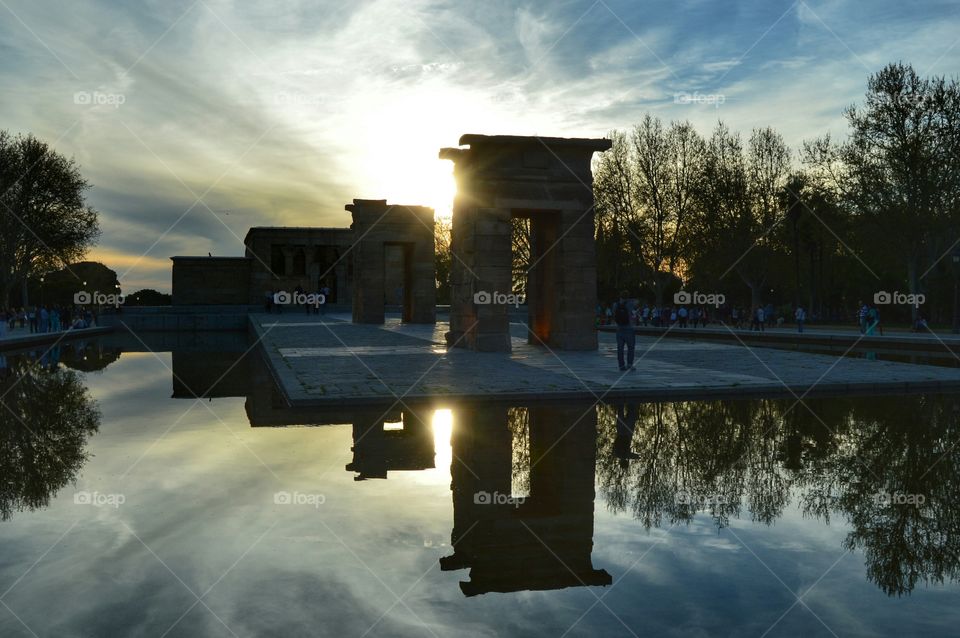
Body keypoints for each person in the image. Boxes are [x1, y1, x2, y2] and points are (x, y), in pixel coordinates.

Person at [612, 290, 636, 372]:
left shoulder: (615, 305)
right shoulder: (630, 304)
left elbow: (614, 315)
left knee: (620, 348)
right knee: (631, 348)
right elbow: (635, 305)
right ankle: (629, 364)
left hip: (619, 329)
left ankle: (621, 365)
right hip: (629, 328)